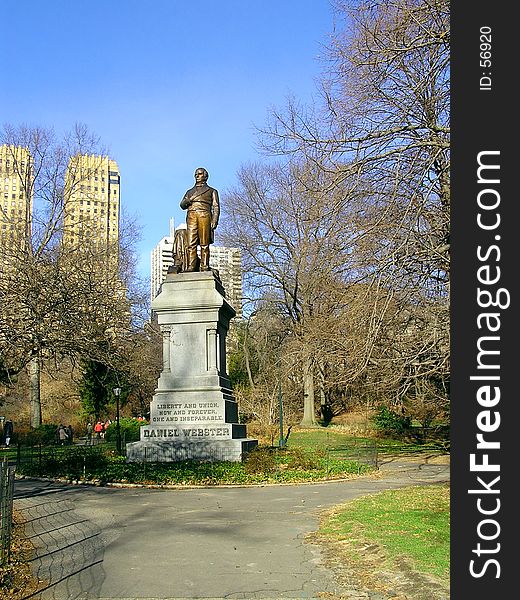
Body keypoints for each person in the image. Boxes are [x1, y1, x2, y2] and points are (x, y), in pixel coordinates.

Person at [179, 167, 220, 272]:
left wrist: (214, 220)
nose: (197, 176)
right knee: (191, 243)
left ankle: (204, 265)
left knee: (204, 243)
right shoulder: (189, 192)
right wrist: (187, 201)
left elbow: (216, 207)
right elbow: (182, 205)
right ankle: (191, 266)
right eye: (196, 174)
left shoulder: (212, 191)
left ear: (205, 176)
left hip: (204, 215)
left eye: (200, 174)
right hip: (191, 216)